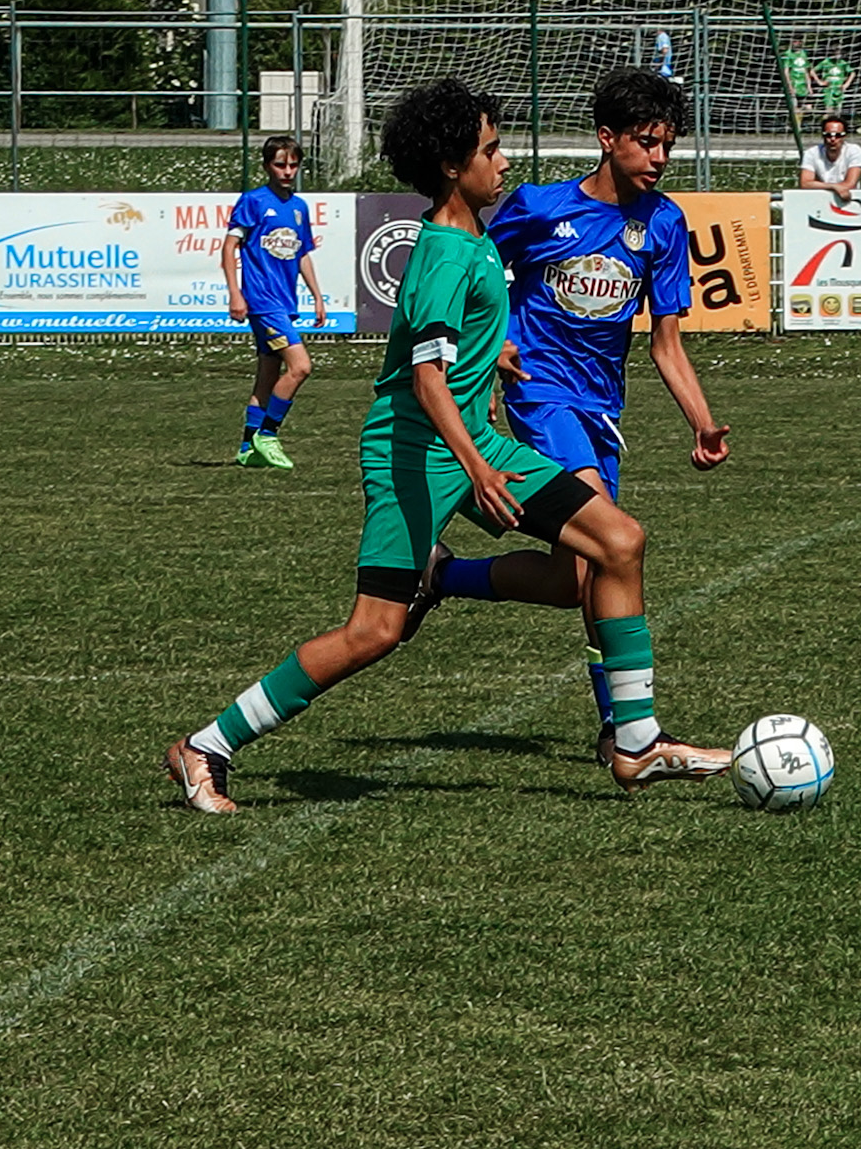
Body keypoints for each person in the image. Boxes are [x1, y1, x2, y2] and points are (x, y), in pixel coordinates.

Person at [164, 79, 729, 814]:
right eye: (490, 151)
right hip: (416, 453)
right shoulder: (442, 251)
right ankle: (205, 746)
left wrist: (492, 354)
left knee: (618, 542)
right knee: (374, 631)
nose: (503, 164)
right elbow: (427, 380)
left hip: (477, 439)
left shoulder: (475, 243)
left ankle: (634, 744)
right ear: (453, 166)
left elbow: (453, 349)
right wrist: (476, 465)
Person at [434, 67, 731, 765]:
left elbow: (667, 343)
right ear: (607, 139)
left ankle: (441, 578)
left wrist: (701, 422)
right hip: (544, 398)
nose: (659, 159)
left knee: (576, 580)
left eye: (667, 146)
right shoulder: (539, 208)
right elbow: (477, 262)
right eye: (647, 143)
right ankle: (631, 734)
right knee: (615, 540)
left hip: (602, 411)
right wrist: (498, 337)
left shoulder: (664, 223)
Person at [223, 135, 328, 469]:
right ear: (267, 165)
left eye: (293, 165)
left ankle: (246, 447)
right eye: (280, 164)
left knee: (267, 376)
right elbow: (229, 248)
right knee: (300, 367)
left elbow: (302, 254)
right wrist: (235, 294)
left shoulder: (298, 207)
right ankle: (268, 434)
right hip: (262, 301)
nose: (287, 171)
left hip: (283, 303)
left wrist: (317, 297)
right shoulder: (253, 201)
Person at [799, 114, 861, 205]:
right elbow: (805, 183)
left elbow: (850, 184)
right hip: (820, 200)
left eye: (838, 135)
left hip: (849, 199)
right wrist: (834, 187)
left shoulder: (854, 151)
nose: (833, 139)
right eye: (828, 135)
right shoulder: (811, 153)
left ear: (844, 136)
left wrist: (820, 185)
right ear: (823, 136)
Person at [778, 38, 812, 128]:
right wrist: (789, 86)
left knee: (808, 108)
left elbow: (806, 71)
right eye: (793, 41)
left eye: (797, 41)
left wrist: (809, 86)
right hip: (794, 84)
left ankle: (794, 123)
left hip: (803, 85)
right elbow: (786, 72)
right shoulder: (788, 54)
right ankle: (796, 127)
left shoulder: (803, 54)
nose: (795, 43)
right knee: (795, 107)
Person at [813, 53, 855, 120]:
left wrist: (847, 84)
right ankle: (825, 125)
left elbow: (852, 73)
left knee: (838, 111)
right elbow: (812, 71)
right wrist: (819, 82)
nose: (837, 54)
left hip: (839, 90)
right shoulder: (826, 62)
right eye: (835, 52)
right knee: (829, 110)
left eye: (839, 52)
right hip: (828, 89)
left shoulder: (843, 63)